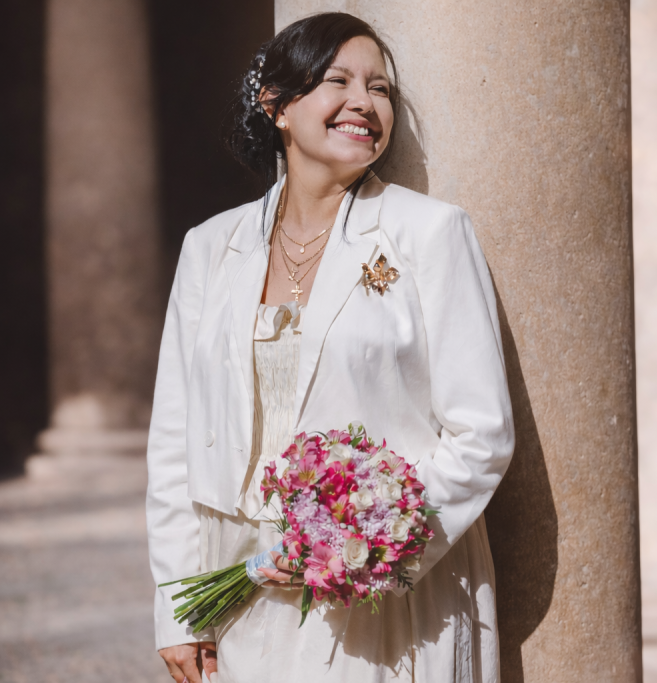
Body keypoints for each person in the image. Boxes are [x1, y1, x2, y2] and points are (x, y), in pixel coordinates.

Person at [145, 13, 514, 683]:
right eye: (338, 81)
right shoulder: (210, 247)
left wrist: (364, 543)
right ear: (278, 105)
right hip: (242, 587)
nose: (363, 103)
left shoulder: (430, 233)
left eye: (380, 89)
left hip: (380, 602)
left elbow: (481, 432)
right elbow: (176, 439)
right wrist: (179, 606)